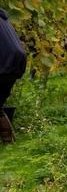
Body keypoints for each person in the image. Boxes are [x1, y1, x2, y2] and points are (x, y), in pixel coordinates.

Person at [0, 8, 26, 142]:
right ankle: (8, 141)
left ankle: (8, 141)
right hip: (14, 66)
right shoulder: (4, 20)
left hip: (4, 65)